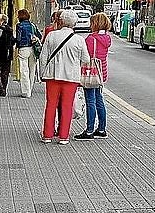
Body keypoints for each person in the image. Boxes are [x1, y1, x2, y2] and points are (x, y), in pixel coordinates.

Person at [38, 10, 89, 144]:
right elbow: (86, 59)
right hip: (71, 78)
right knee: (67, 107)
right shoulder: (79, 39)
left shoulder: (51, 36)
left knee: (50, 105)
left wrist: (42, 74)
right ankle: (64, 137)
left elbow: (43, 57)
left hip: (52, 76)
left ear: (60, 21)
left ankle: (47, 135)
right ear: (74, 23)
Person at [75, 13, 112, 140]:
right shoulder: (106, 38)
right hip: (101, 73)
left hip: (91, 73)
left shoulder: (91, 39)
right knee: (99, 100)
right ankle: (102, 129)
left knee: (90, 100)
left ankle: (89, 130)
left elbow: (84, 57)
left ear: (95, 24)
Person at [15, 9, 41, 98]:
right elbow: (39, 35)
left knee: (24, 70)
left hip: (23, 49)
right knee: (32, 69)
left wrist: (16, 45)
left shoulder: (19, 25)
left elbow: (18, 38)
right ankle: (30, 88)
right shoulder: (32, 25)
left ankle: (26, 92)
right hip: (33, 48)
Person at [0, 14, 15, 98]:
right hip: (8, 55)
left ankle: (1, 89)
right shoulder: (10, 30)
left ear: (2, 21)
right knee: (5, 73)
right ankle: (3, 89)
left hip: (0, 54)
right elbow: (12, 41)